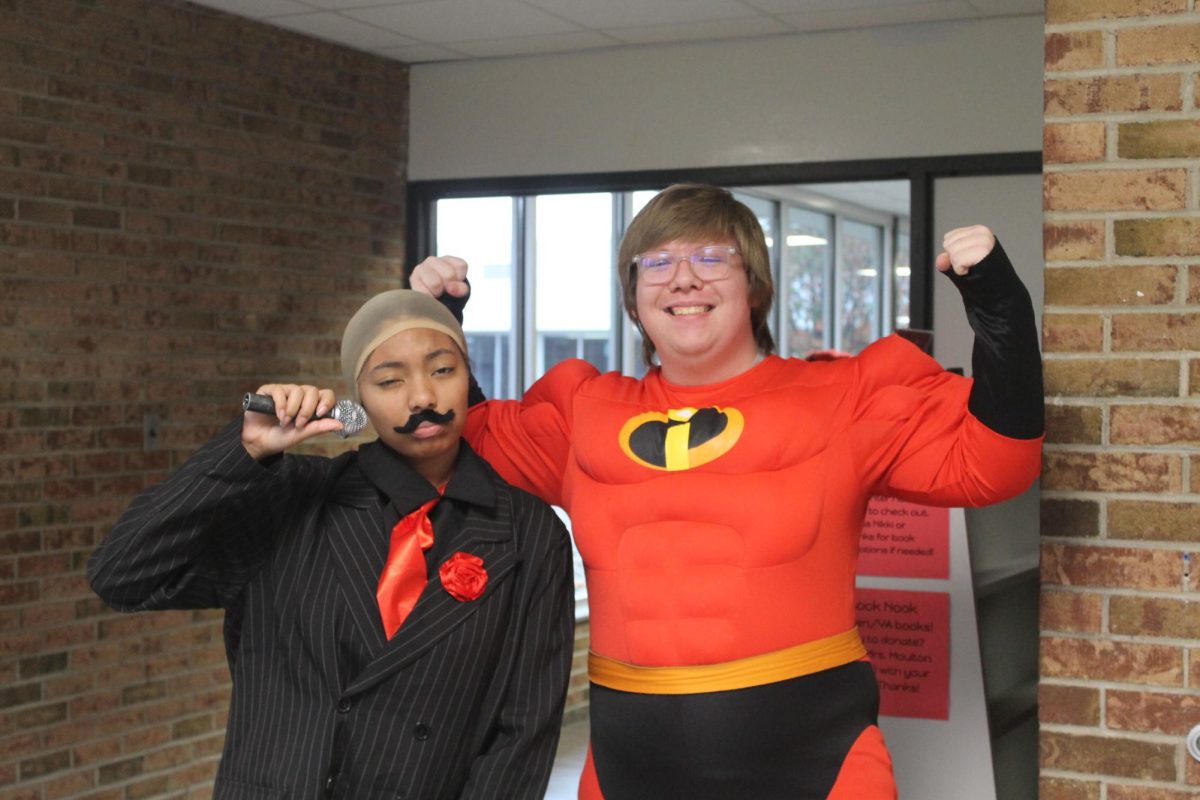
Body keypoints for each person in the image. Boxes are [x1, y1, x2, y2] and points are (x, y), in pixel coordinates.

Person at [411, 183, 1043, 800]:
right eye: (656, 262)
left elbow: (996, 464)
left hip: (817, 762)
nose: (683, 278)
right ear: (634, 296)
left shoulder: (843, 398)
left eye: (711, 257)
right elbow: (454, 448)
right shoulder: (583, 412)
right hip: (628, 764)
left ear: (755, 287)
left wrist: (999, 306)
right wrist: (434, 327)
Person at [87, 291, 576, 800]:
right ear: (358, 399)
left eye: (442, 370)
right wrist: (244, 450)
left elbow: (523, 733)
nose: (422, 398)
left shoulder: (528, 533)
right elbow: (121, 574)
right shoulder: (293, 498)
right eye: (390, 380)